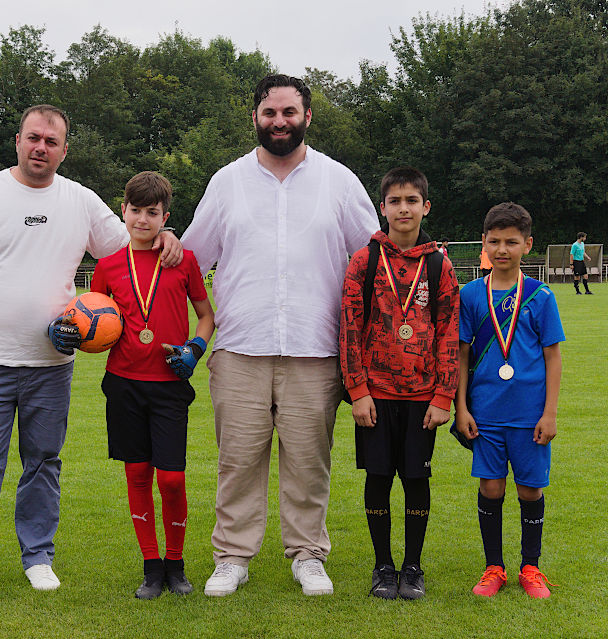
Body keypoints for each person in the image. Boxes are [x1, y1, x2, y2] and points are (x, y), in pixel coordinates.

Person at [0, 105, 182, 610]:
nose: (41, 147)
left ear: (65, 151)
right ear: (18, 141)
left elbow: (132, 246)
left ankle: (38, 558)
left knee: (43, 463)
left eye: (52, 141)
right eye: (33, 138)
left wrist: (167, 235)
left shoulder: (80, 201)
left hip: (51, 366)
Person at [181, 74, 379, 597]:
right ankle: (232, 557)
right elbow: (192, 257)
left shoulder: (339, 180)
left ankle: (308, 555)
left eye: (290, 112)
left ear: (307, 117)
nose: (280, 122)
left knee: (308, 462)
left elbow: (373, 259)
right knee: (238, 460)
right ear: (255, 118)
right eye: (270, 113)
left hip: (316, 349)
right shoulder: (227, 181)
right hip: (241, 346)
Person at [88, 171, 214, 599]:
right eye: (135, 210)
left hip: (169, 385)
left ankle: (176, 564)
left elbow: (206, 316)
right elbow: (95, 328)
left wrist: (195, 349)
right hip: (123, 384)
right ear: (122, 210)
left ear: (165, 216)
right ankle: (151, 566)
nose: (143, 219)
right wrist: (69, 332)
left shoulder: (183, 260)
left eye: (153, 212)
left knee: (172, 479)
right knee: (138, 474)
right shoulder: (105, 268)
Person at [340, 167, 460, 600]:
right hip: (375, 395)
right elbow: (350, 328)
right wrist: (357, 390)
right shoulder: (364, 260)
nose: (403, 208)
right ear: (382, 207)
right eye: (395, 201)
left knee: (415, 479)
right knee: (377, 478)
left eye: (412, 200)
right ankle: (382, 566)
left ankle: (413, 566)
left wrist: (444, 394)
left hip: (423, 398)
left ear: (425, 206)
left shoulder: (439, 263)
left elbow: (449, 331)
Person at [455, 203, 564, 599]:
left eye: (511, 242)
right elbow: (462, 355)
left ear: (528, 245)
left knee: (530, 490)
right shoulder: (470, 295)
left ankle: (531, 568)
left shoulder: (540, 296)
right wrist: (461, 408)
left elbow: (553, 356)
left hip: (530, 415)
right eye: (495, 241)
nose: (502, 249)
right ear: (484, 242)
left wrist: (549, 413)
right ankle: (494, 568)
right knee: (491, 488)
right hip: (485, 415)